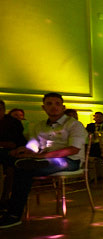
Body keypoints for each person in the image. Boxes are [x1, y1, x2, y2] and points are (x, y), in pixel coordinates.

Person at [0, 92, 87, 229]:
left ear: (63, 107)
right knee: (12, 159)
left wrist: (40, 156)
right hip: (42, 159)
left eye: (57, 104)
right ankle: (8, 207)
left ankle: (13, 214)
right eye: (49, 104)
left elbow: (73, 150)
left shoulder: (74, 125)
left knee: (24, 168)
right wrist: (24, 150)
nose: (54, 107)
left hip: (69, 161)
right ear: (43, 107)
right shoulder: (40, 126)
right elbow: (33, 147)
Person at [0, 99, 27, 205]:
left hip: (11, 153)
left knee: (13, 167)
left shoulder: (12, 123)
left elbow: (17, 143)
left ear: (4, 110)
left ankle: (5, 198)